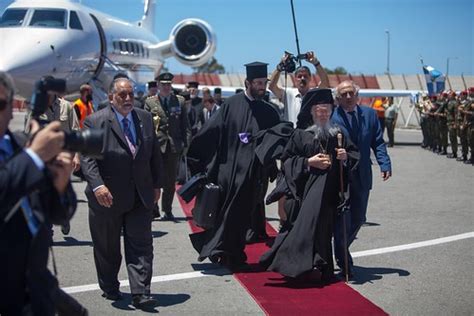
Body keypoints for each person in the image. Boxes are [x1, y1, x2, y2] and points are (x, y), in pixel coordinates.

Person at [0, 71, 86, 315]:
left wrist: (59, 184)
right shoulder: (30, 152)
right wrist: (33, 157)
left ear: (10, 108)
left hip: (35, 287)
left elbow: (62, 213)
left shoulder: (22, 144)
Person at [186, 62, 280, 269]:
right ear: (248, 83)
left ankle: (225, 251)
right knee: (228, 216)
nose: (262, 87)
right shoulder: (231, 105)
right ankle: (229, 254)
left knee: (241, 217)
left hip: (254, 175)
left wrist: (272, 166)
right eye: (258, 83)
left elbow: (277, 139)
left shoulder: (269, 112)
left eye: (264, 83)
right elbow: (210, 132)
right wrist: (196, 160)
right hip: (228, 173)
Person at [80, 77, 163, 309]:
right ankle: (109, 285)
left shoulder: (144, 118)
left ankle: (141, 292)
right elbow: (87, 158)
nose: (128, 99)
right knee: (107, 247)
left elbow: (154, 153)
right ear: (110, 97)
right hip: (107, 197)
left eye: (131, 95)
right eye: (122, 95)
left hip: (140, 195)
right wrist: (97, 185)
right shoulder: (94, 122)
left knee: (141, 244)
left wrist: (157, 184)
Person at [260, 88, 358, 282]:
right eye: (320, 110)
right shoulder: (299, 135)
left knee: (324, 231)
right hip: (303, 193)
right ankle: (294, 266)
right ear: (312, 112)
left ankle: (323, 266)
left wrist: (345, 157)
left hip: (329, 193)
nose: (324, 114)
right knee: (304, 228)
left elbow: (353, 154)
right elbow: (287, 162)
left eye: (327, 110)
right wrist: (308, 162)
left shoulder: (337, 134)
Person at [331, 80, 391, 277]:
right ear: (338, 99)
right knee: (343, 220)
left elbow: (378, 142)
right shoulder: (331, 117)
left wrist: (385, 163)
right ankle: (343, 260)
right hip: (341, 176)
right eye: (343, 95)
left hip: (363, 175)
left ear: (357, 96)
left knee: (359, 218)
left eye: (351, 93)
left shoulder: (370, 115)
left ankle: (340, 245)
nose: (348, 97)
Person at [144, 72, 190, 220]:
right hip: (156, 146)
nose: (166, 87)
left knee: (170, 181)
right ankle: (152, 208)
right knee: (153, 179)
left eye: (168, 84)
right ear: (158, 85)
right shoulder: (150, 102)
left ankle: (167, 209)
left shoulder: (180, 101)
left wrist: (186, 144)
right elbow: (145, 126)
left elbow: (185, 126)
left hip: (173, 146)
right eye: (163, 84)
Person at [268, 51, 329, 125]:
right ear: (295, 78)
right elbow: (272, 86)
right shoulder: (288, 93)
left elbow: (325, 83)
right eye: (299, 76)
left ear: (310, 78)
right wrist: (280, 67)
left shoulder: (313, 93)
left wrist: (316, 63)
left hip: (310, 133)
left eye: (305, 76)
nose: (302, 78)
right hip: (292, 133)